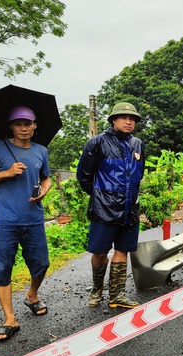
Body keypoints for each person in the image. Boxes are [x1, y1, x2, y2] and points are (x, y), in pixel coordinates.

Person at [0, 106, 52, 342]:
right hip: (4, 221)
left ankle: (31, 294)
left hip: (33, 218)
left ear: (35, 125)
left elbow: (46, 177)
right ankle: (9, 318)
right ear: (11, 125)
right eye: (18, 123)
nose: (23, 128)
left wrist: (44, 192)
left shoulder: (41, 151)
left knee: (41, 264)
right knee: (1, 270)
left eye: (27, 123)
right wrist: (6, 173)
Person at [76, 102, 145, 309]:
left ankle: (117, 295)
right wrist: (100, 195)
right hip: (104, 209)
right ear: (113, 119)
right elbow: (84, 176)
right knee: (99, 252)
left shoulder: (137, 144)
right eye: (124, 117)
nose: (129, 121)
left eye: (132, 118)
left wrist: (129, 195)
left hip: (130, 208)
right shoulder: (97, 143)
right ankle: (97, 290)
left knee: (123, 250)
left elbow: (138, 174)